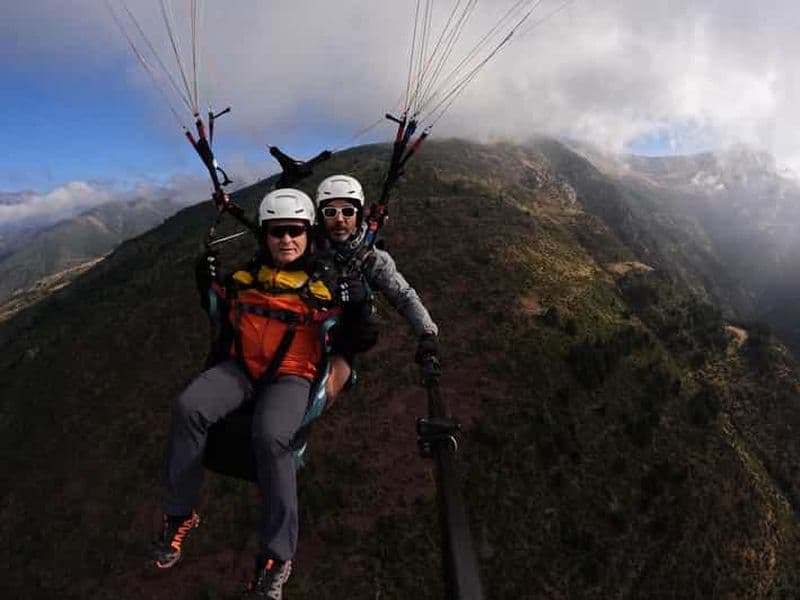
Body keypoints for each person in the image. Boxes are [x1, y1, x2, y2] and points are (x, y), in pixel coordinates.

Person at [152, 188, 374, 599]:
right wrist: (206, 284)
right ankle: (179, 513)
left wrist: (359, 306)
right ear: (264, 236)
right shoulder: (244, 278)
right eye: (276, 232)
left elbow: (359, 340)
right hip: (241, 369)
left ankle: (276, 556)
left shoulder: (325, 285)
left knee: (272, 437)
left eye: (294, 231)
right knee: (188, 407)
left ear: (308, 234)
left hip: (292, 376)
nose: (286, 240)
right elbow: (221, 315)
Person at [315, 174, 440, 387]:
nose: (339, 219)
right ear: (319, 217)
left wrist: (427, 333)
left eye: (347, 211)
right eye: (330, 212)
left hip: (347, 333)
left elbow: (404, 297)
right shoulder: (303, 248)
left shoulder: (372, 259)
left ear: (359, 215)